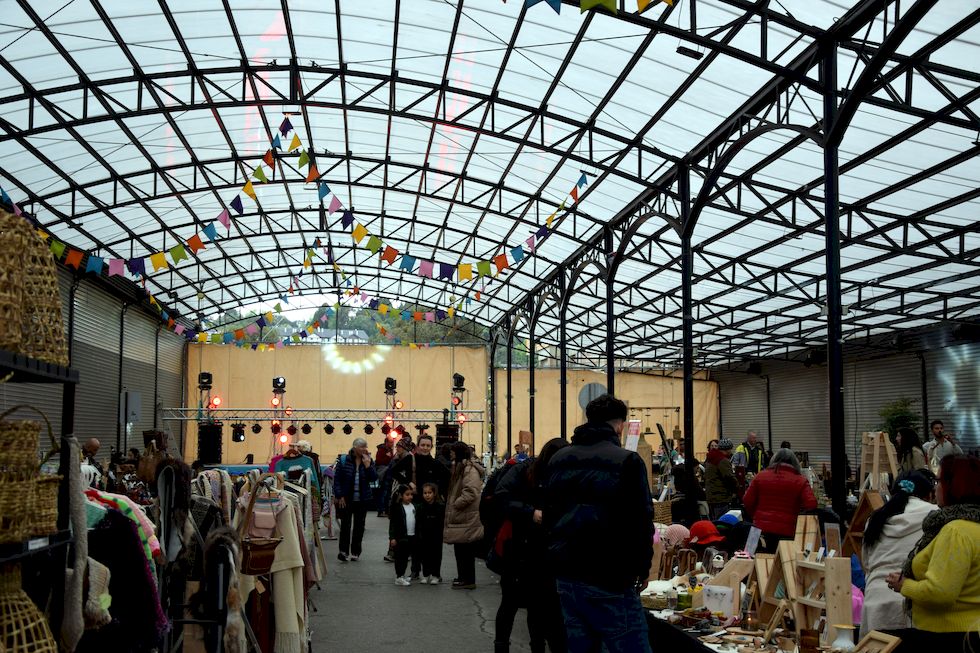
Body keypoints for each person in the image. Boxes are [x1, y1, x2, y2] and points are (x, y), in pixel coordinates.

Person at [544, 394, 653, 653]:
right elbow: (640, 521)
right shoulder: (627, 460)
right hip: (610, 575)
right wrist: (643, 568)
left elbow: (549, 514)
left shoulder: (559, 458)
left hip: (568, 573)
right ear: (619, 426)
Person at [885, 455, 980, 651]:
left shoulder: (956, 531)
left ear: (953, 485)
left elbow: (941, 593)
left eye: (938, 481)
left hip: (947, 635)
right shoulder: (972, 526)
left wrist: (904, 585)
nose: (935, 487)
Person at [492, 438, 570, 653]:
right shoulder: (523, 471)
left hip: (545, 550)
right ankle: (502, 646)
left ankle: (538, 646)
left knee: (539, 605)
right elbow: (501, 497)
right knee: (510, 603)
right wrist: (529, 512)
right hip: (518, 548)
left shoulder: (561, 476)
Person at [860, 471, 936, 637]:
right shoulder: (935, 516)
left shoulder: (875, 518)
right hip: (911, 602)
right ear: (929, 495)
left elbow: (866, 563)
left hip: (875, 603)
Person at [741, 448, 817, 553]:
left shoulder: (760, 476)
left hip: (758, 530)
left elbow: (747, 500)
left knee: (752, 563)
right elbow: (811, 504)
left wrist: (756, 516)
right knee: (783, 566)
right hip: (787, 531)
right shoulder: (801, 480)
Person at [444, 440, 485, 590]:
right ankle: (463, 577)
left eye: (453, 451)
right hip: (463, 516)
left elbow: (471, 492)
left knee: (465, 551)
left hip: (465, 516)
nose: (451, 453)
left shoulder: (469, 469)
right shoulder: (462, 468)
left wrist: (456, 504)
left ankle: (467, 579)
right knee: (460, 549)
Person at [332, 437, 377, 562]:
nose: (364, 449)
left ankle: (356, 551)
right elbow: (337, 480)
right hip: (347, 498)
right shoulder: (343, 460)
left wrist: (368, 466)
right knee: (345, 525)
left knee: (359, 526)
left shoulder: (368, 460)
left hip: (363, 499)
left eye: (365, 447)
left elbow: (373, 478)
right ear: (355, 447)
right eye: (362, 447)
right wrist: (340, 496)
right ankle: (343, 551)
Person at [391, 433, 450, 503]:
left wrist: (437, 490)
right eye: (422, 445)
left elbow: (447, 476)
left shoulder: (435, 463)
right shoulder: (410, 459)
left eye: (428, 446)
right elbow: (394, 471)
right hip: (412, 499)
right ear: (418, 446)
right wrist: (408, 482)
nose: (425, 448)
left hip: (429, 502)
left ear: (431, 447)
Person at [389, 484, 418, 586]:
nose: (410, 496)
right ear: (401, 495)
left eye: (411, 494)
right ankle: (399, 576)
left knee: (406, 558)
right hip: (401, 537)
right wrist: (392, 537)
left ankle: (402, 575)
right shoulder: (397, 508)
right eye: (407, 494)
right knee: (400, 557)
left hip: (412, 536)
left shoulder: (413, 506)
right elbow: (392, 524)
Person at [417, 482, 445, 584]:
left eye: (429, 492)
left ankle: (436, 575)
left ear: (434, 493)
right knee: (424, 555)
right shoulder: (420, 507)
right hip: (424, 535)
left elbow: (442, 522)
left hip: (436, 535)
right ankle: (426, 574)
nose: (427, 495)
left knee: (436, 555)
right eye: (425, 493)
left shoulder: (440, 506)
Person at [705, 438, 737, 520]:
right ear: (728, 449)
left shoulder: (710, 458)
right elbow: (729, 477)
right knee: (721, 522)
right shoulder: (722, 460)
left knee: (714, 520)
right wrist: (737, 487)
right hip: (721, 496)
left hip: (711, 496)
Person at [375, 438, 394, 517]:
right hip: (383, 474)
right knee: (383, 493)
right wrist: (388, 457)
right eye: (391, 442)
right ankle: (381, 510)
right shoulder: (382, 450)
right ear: (386, 442)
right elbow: (379, 461)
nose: (392, 444)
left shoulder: (389, 450)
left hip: (387, 475)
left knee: (386, 493)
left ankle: (385, 510)